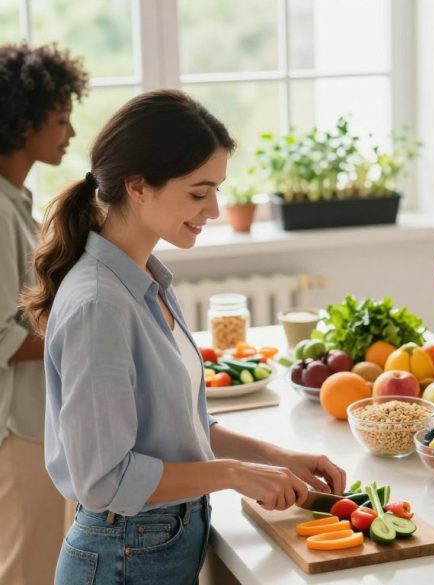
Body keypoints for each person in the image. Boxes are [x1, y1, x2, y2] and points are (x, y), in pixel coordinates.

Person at [21, 89, 346, 585]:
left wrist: (276, 457)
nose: (214, 209)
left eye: (216, 189)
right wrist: (236, 474)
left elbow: (178, 428)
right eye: (198, 192)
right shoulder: (98, 305)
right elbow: (105, 480)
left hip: (156, 543)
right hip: (122, 556)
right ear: (136, 186)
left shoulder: (147, 280)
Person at [0, 41, 87, 585]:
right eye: (60, 119)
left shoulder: (16, 200)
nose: (70, 134)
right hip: (18, 426)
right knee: (26, 571)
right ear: (23, 122)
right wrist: (78, 331)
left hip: (37, 421)